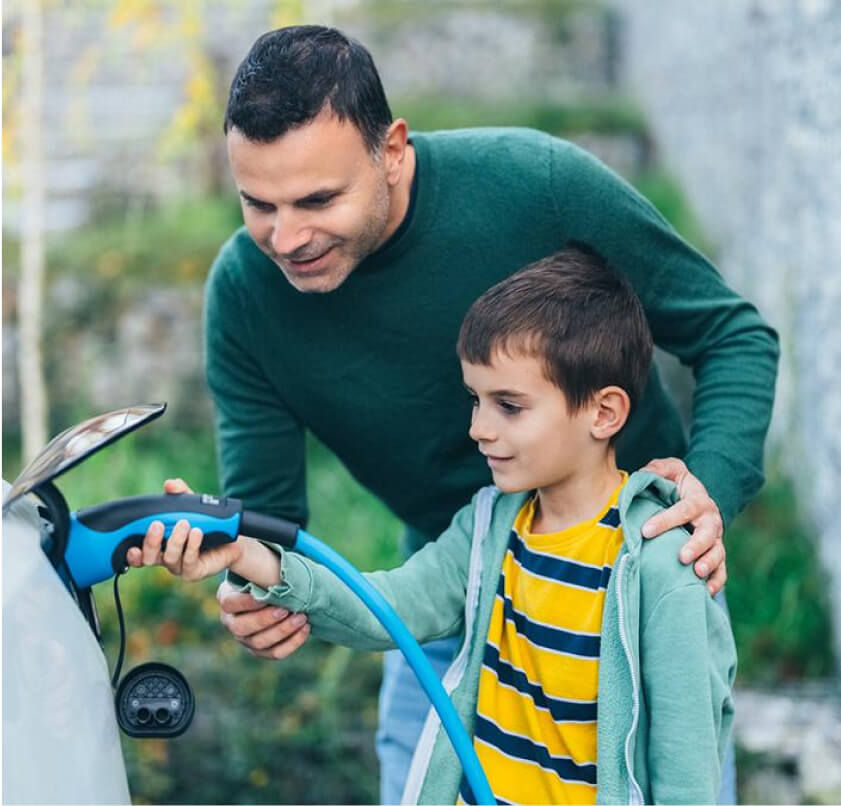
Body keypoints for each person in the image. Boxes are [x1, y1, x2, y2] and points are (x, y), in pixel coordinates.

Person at [170, 24, 776, 802]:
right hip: (452, 576)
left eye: (318, 199)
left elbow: (732, 334)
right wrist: (249, 579)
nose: (285, 238)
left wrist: (706, 497)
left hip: (631, 580)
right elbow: (270, 526)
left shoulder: (536, 184)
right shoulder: (244, 297)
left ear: (391, 149)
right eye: (259, 204)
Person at [130, 247, 737, 804]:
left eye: (509, 406)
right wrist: (245, 554)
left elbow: (687, 773)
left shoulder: (661, 563)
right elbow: (386, 607)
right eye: (475, 400)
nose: (479, 428)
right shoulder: (489, 528)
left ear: (603, 412)